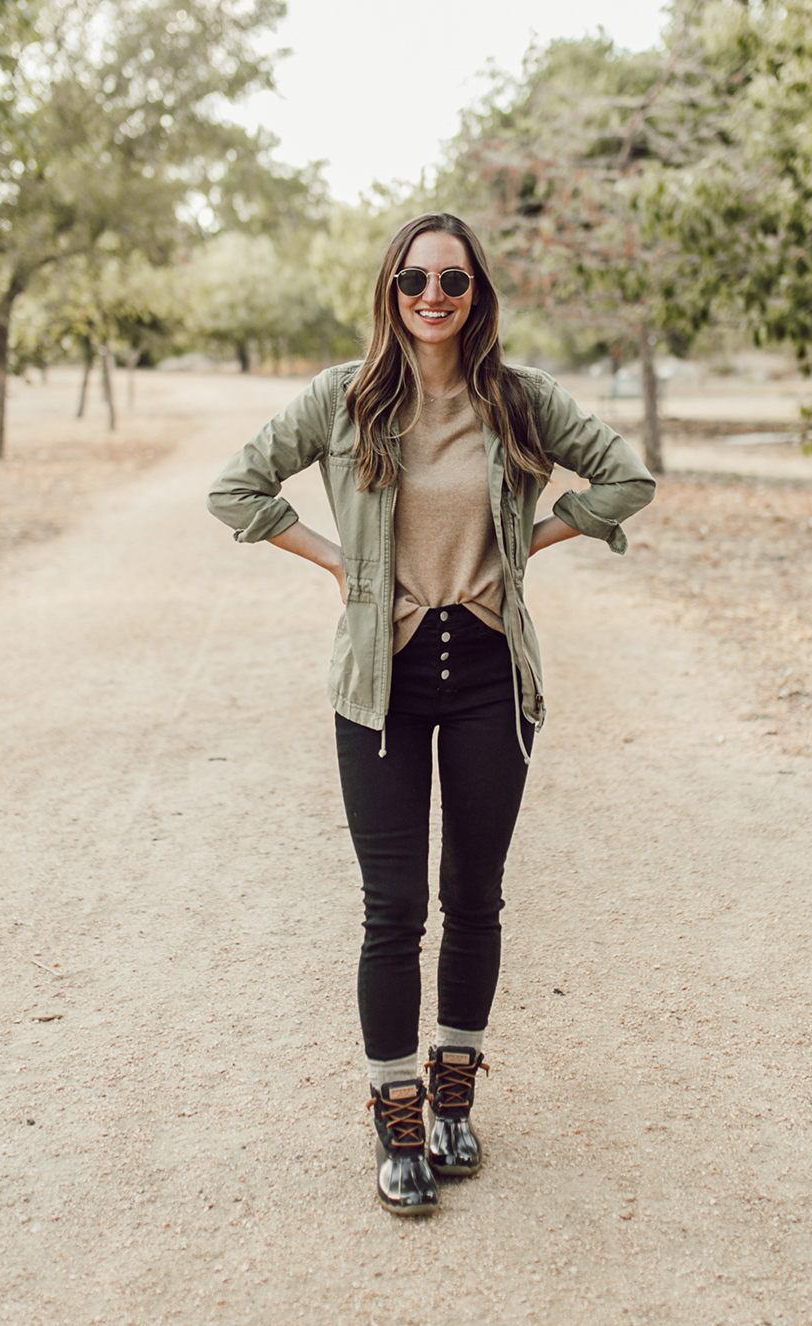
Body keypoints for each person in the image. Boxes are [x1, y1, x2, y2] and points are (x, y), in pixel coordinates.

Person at [207, 212, 655, 1216]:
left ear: (476, 292)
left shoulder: (520, 403)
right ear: (390, 290)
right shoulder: (346, 398)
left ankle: (455, 1096)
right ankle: (396, 1110)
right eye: (413, 279)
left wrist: (529, 541)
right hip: (382, 685)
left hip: (493, 672)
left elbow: (626, 478)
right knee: (393, 908)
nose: (432, 295)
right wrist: (342, 565)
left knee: (476, 895)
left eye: (451, 279)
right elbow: (235, 488)